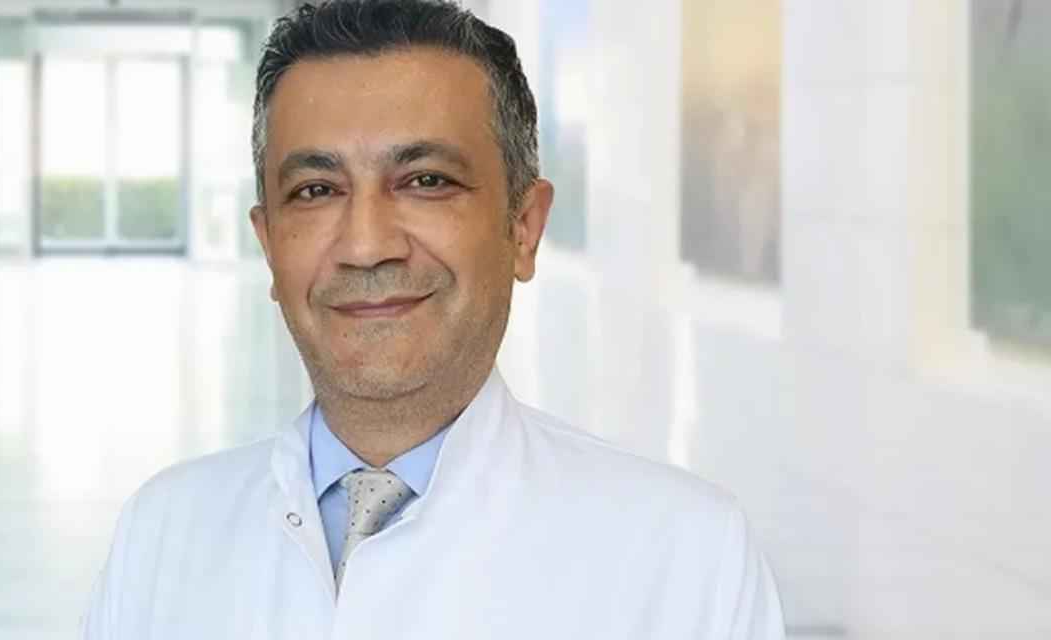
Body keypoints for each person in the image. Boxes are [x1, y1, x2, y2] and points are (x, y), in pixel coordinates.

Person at [82, 1, 785, 637]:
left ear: (523, 228)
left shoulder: (686, 556)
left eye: (426, 181)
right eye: (316, 190)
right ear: (269, 246)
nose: (366, 245)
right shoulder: (163, 534)